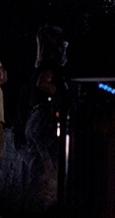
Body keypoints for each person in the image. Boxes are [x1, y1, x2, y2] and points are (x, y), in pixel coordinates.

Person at [24, 25, 67, 209]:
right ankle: (44, 207)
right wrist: (63, 95)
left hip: (35, 120)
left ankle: (36, 205)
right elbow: (43, 83)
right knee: (48, 169)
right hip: (45, 121)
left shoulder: (40, 65)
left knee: (39, 168)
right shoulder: (50, 67)